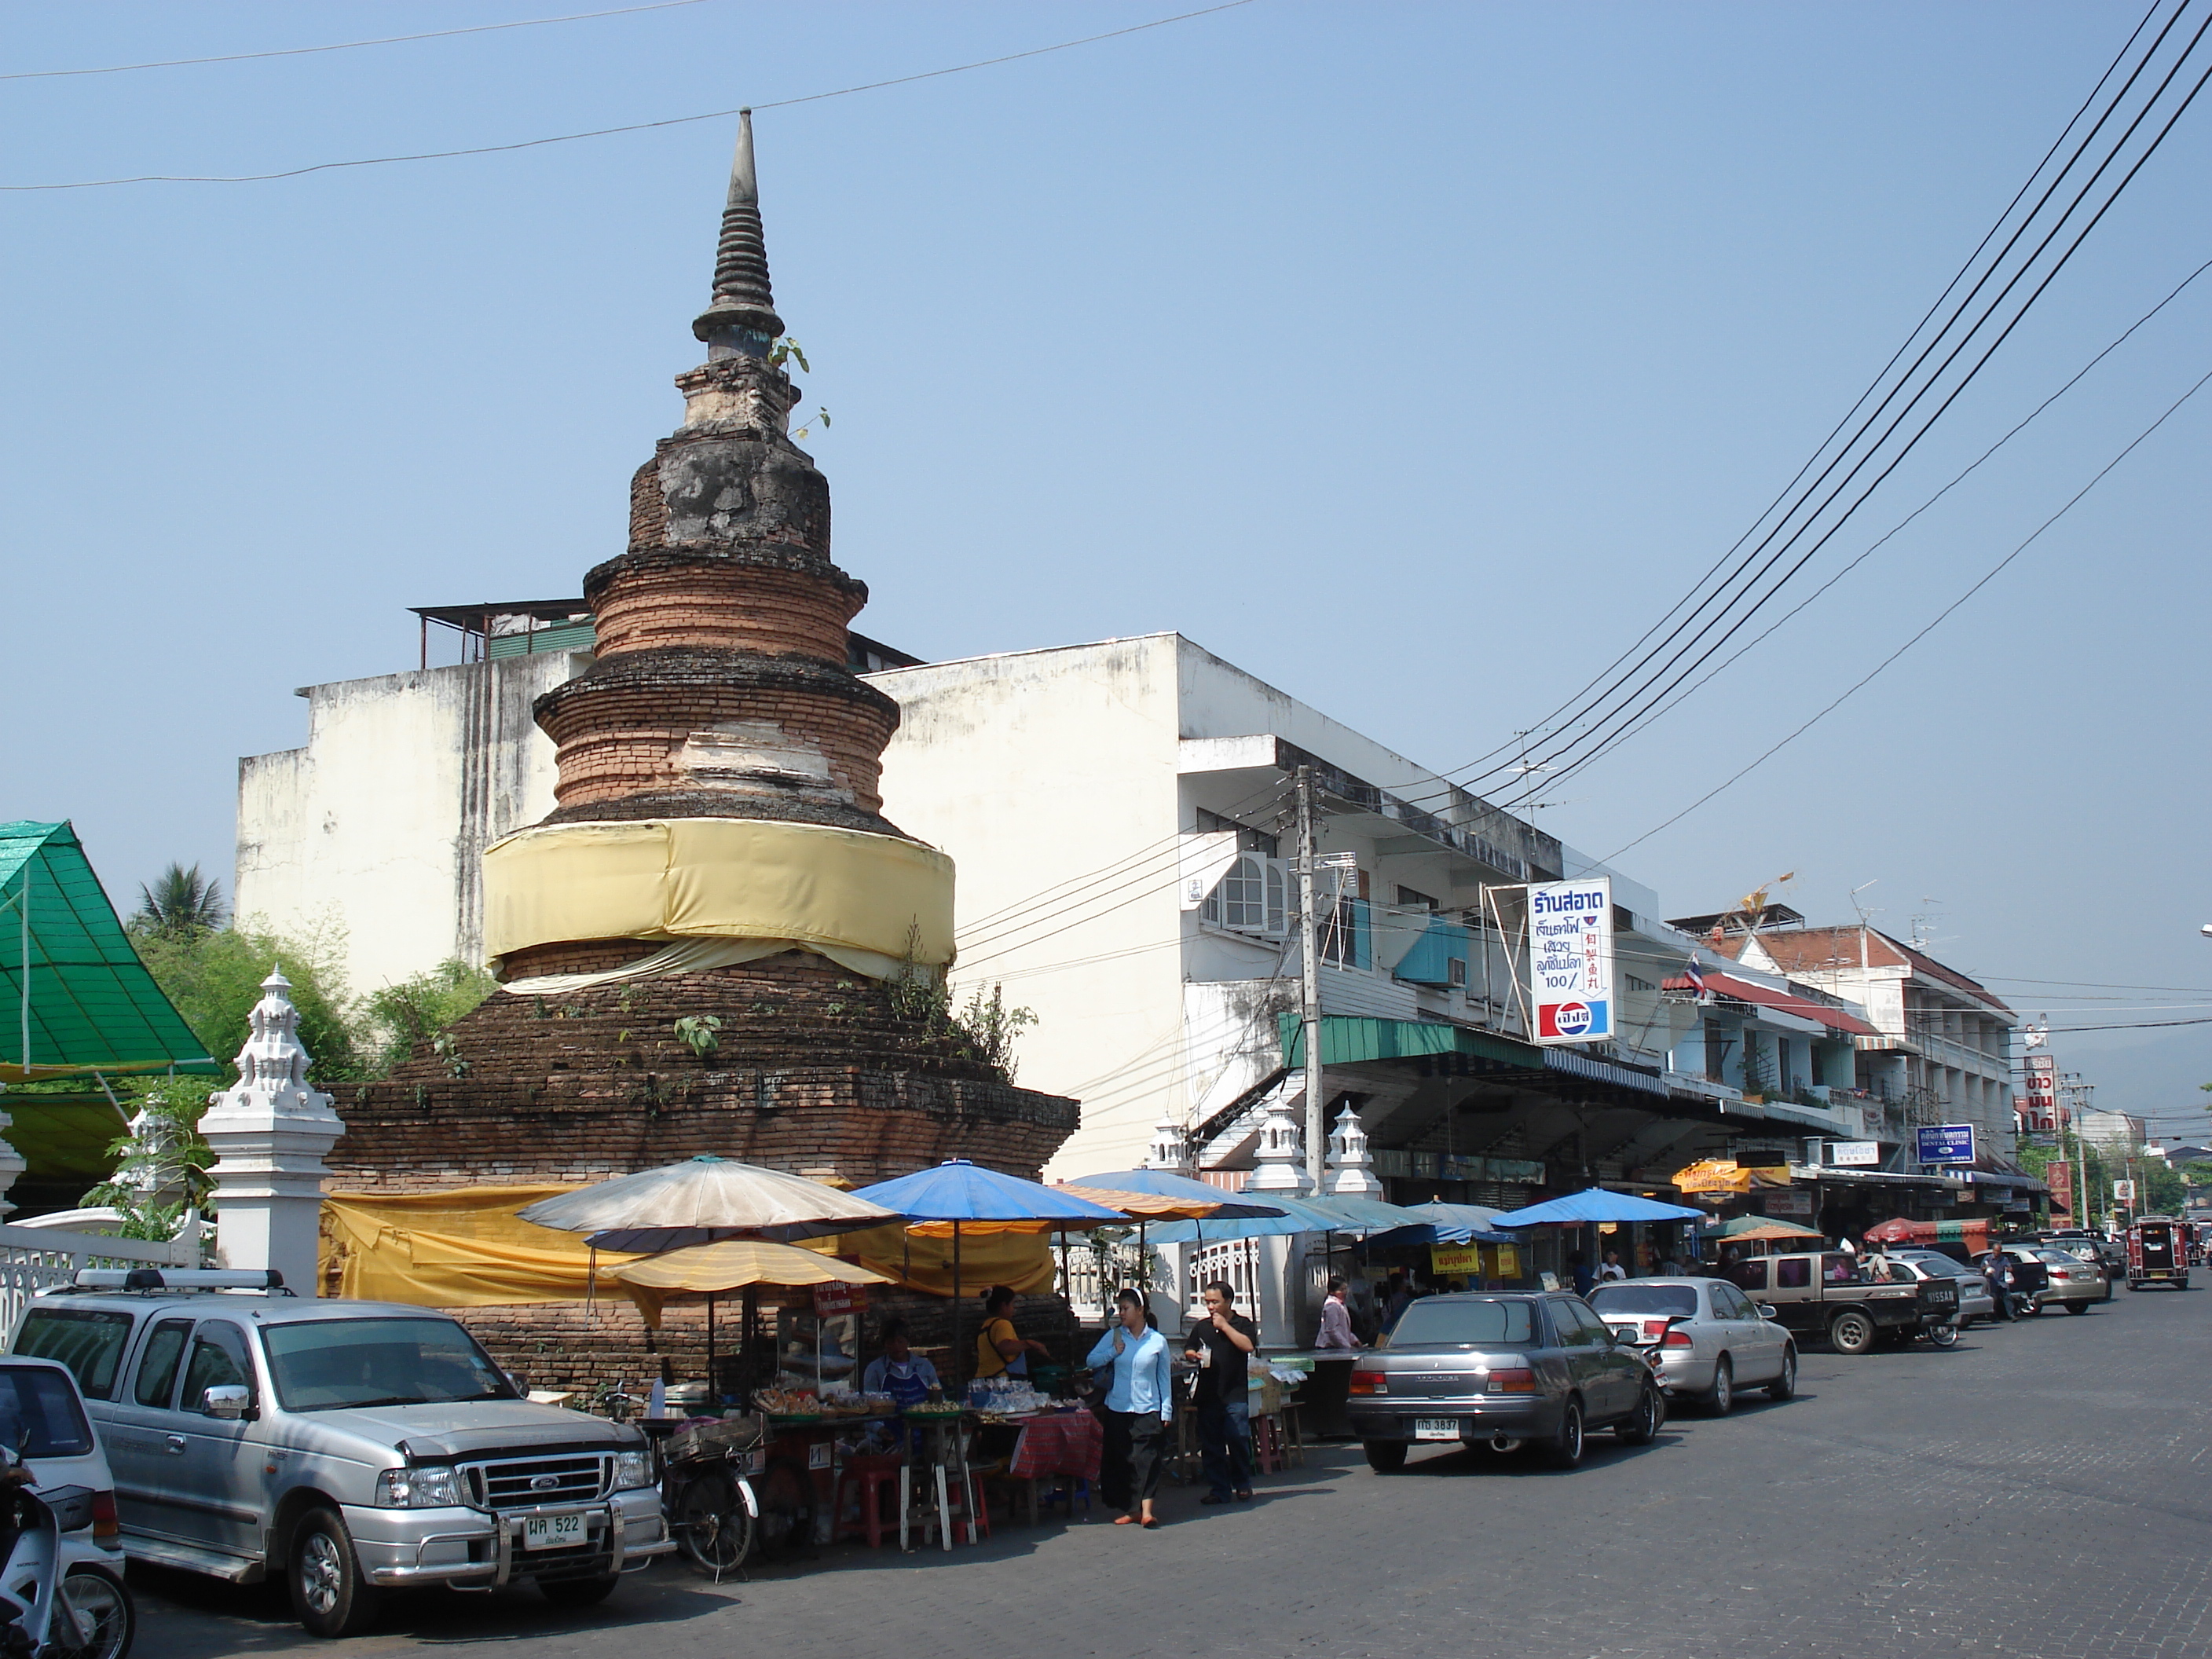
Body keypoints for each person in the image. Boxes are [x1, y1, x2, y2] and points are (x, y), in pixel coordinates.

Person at [1087, 1287, 1173, 1528]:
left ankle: (1147, 1511)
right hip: (1118, 1407)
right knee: (1122, 1460)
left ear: (1140, 1310)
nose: (1121, 1313)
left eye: (1125, 1309)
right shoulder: (1115, 1336)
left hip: (1148, 1408)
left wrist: (1166, 1409)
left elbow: (1163, 1378)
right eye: (1120, 1309)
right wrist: (1113, 1353)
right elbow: (1091, 1361)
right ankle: (1131, 1509)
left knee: (1147, 1458)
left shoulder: (1157, 1341)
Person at [1183, 1280, 1259, 1505]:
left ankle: (1242, 1483)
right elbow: (1189, 1347)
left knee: (1237, 1438)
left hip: (1234, 1392)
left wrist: (1225, 1326)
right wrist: (1191, 1355)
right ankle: (1219, 1488)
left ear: (1228, 1301)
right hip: (1209, 1393)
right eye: (1207, 1302)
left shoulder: (1242, 1324)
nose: (1210, 1306)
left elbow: (1247, 1346)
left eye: (1215, 1302)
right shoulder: (1203, 1327)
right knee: (1211, 1444)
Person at [974, 1285, 1052, 1380]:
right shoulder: (1003, 1324)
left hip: (984, 1379)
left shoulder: (986, 1325)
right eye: (1012, 1304)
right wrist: (1030, 1343)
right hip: (1001, 1381)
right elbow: (1005, 1347)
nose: (1013, 1309)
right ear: (1003, 1306)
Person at [860, 1319, 939, 1409]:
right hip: (889, 1422)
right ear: (884, 1344)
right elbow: (870, 1404)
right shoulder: (875, 1369)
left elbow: (938, 1400)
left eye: (900, 1341)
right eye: (891, 1342)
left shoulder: (924, 1366)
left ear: (907, 1341)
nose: (896, 1346)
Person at [1315, 1275, 1362, 1350]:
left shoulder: (1341, 1305)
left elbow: (1344, 1330)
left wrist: (1354, 1340)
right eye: (1341, 1290)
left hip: (1339, 1346)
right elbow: (1332, 1331)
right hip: (1329, 1348)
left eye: (1345, 1289)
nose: (1345, 1292)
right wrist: (1347, 1346)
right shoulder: (1332, 1306)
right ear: (1332, 1292)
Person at [1983, 1247, 2015, 1321]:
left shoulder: (2004, 1259)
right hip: (1992, 1282)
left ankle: (2011, 1315)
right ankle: (1993, 1317)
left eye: (1998, 1251)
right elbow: (1982, 1268)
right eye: (1995, 1251)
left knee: (2007, 1298)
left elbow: (2010, 1268)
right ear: (1993, 1251)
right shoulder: (1988, 1258)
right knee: (1994, 1300)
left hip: (2002, 1282)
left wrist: (2008, 1269)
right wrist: (1987, 1268)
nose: (1997, 1253)